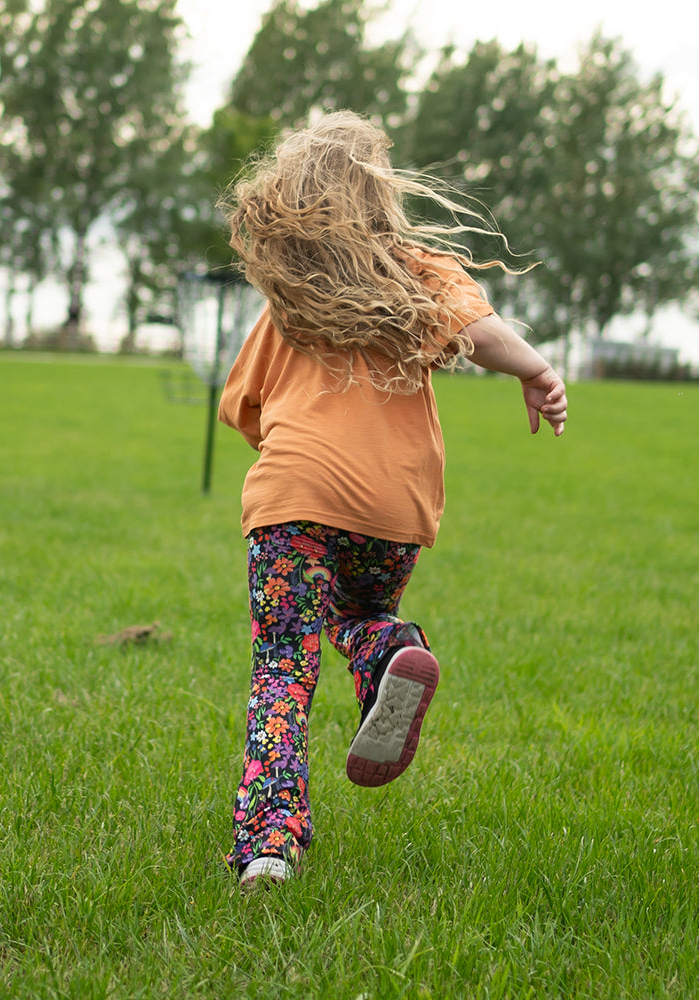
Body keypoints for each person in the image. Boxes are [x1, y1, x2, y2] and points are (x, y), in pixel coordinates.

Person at [216, 110, 567, 888]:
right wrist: (538, 373)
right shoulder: (419, 274)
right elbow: (483, 331)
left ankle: (270, 846)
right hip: (391, 511)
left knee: (283, 667)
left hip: (292, 501)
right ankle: (387, 652)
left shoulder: (288, 303)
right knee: (361, 610)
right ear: (382, 197)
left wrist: (295, 472)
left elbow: (243, 411)